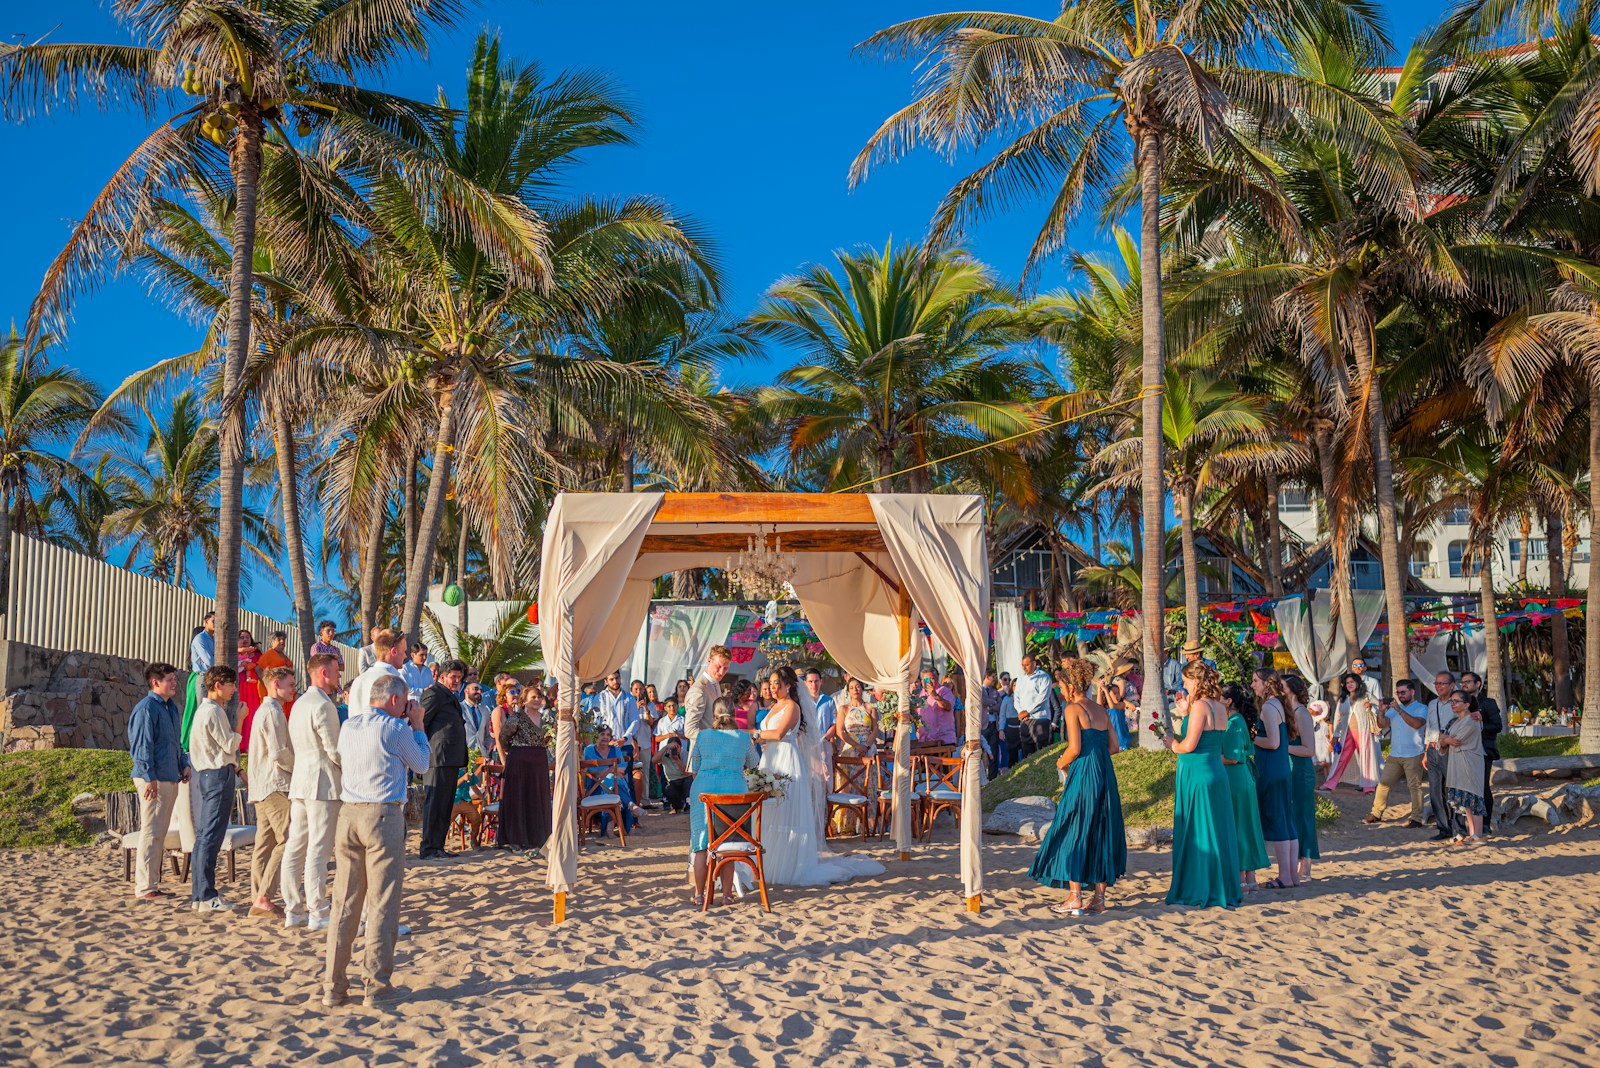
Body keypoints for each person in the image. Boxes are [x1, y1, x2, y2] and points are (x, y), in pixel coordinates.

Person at [323, 673, 429, 1008]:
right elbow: (422, 763)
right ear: (395, 699)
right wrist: (418, 724)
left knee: (344, 903)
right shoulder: (396, 729)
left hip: (349, 813)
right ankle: (377, 986)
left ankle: (334, 986)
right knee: (383, 903)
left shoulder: (350, 726)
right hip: (382, 814)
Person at [747, 667, 886, 886]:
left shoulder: (792, 707)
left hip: (787, 760)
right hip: (770, 759)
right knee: (770, 812)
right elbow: (768, 736)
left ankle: (790, 863)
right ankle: (770, 860)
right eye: (771, 683)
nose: (773, 688)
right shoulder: (774, 706)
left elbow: (778, 734)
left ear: (789, 685)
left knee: (787, 809)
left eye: (777, 683)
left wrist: (753, 734)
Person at [1029, 659, 1125, 916]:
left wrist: (1060, 762)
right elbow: (1114, 748)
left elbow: (1074, 748)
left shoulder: (1073, 709)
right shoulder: (1101, 710)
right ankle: (1100, 899)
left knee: (1074, 827)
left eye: (1062, 687)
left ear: (1072, 687)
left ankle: (1075, 897)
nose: (1061, 692)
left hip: (1084, 772)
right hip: (1104, 771)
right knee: (1101, 830)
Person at [1164, 660, 1241, 909]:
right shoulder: (1219, 706)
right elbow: (1209, 735)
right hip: (1215, 773)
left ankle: (1200, 887)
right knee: (1216, 831)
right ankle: (1221, 885)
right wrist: (1186, 712)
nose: (1183, 685)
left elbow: (1189, 745)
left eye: (1186, 681)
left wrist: (1171, 744)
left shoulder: (1200, 706)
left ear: (1196, 681)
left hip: (1198, 774)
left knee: (1200, 832)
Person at [282, 653, 344, 930]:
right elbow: (334, 750)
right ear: (322, 673)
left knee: (296, 846)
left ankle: (293, 910)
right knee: (318, 848)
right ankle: (318, 911)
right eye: (335, 671)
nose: (339, 676)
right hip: (322, 783)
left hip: (301, 781)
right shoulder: (323, 705)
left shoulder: (298, 704)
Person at [127, 662, 190, 900]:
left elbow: (175, 742)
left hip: (168, 776)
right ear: (156, 682)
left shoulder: (170, 707)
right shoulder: (146, 709)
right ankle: (144, 887)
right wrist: (149, 777)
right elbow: (142, 746)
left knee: (159, 833)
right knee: (151, 832)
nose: (175, 684)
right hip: (152, 779)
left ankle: (152, 884)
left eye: (175, 679)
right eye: (170, 680)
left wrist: (183, 764)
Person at [689, 699, 760, 905]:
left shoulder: (703, 736)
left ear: (714, 715)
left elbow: (695, 769)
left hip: (703, 792)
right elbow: (754, 764)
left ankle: (699, 894)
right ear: (734, 714)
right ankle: (727, 896)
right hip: (734, 792)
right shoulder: (742, 737)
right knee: (727, 845)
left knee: (701, 846)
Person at [188, 666, 241, 913]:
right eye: (231, 684)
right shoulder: (213, 711)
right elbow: (229, 745)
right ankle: (207, 895)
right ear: (218, 685)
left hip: (210, 775)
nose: (234, 689)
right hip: (217, 775)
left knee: (205, 837)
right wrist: (240, 720)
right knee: (210, 837)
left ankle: (199, 895)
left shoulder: (204, 711)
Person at [247, 666, 296, 918]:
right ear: (276, 683)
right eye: (290, 684)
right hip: (275, 784)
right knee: (287, 840)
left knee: (264, 845)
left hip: (261, 785)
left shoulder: (264, 710)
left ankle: (258, 897)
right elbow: (279, 753)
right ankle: (264, 897)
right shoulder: (272, 712)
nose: (293, 688)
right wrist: (297, 768)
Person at [1250, 669, 1300, 890]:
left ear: (1266, 684)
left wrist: (1252, 737)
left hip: (1271, 770)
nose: (1252, 685)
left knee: (1279, 822)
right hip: (1281, 770)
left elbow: (1273, 742)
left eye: (1255, 681)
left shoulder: (1269, 707)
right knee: (1287, 822)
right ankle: (1291, 875)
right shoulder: (1278, 704)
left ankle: (1284, 876)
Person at [1219, 682, 1269, 895]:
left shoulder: (1233, 723)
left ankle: (1241, 878)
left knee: (1238, 825)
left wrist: (1208, 755)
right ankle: (1250, 878)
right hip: (1243, 777)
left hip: (1235, 778)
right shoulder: (1237, 720)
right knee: (1246, 825)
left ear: (1228, 701)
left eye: (1219, 698)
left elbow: (1231, 757)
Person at [493, 679, 551, 853]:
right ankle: (516, 839)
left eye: (539, 696)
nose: (536, 699)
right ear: (525, 700)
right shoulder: (517, 717)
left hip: (539, 761)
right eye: (533, 697)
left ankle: (537, 837)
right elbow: (503, 738)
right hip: (519, 761)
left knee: (537, 798)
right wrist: (513, 752)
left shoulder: (546, 717)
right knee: (518, 799)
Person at [419, 659, 469, 860]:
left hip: (450, 758)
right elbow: (421, 721)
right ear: (442, 677)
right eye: (453, 677)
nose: (457, 680)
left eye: (459, 677)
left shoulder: (450, 695)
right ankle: (429, 847)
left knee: (445, 804)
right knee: (435, 804)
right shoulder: (434, 693)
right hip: (437, 756)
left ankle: (437, 846)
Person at [1367, 678, 1428, 827]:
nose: (1400, 695)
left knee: (1414, 787)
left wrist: (1400, 710)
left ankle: (1416, 818)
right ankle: (1376, 813)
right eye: (1398, 693)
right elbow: (1382, 724)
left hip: (1414, 754)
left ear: (1412, 692)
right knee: (1383, 784)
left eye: (1403, 692)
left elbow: (1416, 724)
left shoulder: (1421, 708)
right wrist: (1381, 712)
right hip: (1395, 754)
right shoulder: (1393, 709)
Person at [1282, 675, 1321, 882]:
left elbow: (1309, 749)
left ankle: (1305, 866)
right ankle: (1296, 863)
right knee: (1293, 816)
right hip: (1289, 770)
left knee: (1304, 817)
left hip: (1301, 771)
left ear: (1293, 691)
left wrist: (1283, 748)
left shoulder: (1301, 713)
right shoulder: (1289, 713)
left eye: (1283, 687)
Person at [1439, 689, 1488, 846]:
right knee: (1465, 800)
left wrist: (1444, 738)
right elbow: (1444, 740)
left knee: (1474, 798)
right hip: (1457, 762)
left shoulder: (1472, 720)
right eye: (1452, 701)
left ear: (1466, 704)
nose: (1453, 704)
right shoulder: (1455, 721)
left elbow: (1456, 740)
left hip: (1470, 762)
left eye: (1456, 701)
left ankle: (1478, 834)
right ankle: (1472, 833)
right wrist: (1445, 739)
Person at [1323, 672, 1383, 792]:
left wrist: (1370, 708)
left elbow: (1380, 706)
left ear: (1358, 683)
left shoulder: (1366, 695)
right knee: (1341, 758)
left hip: (1363, 732)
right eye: (1347, 682)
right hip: (1347, 733)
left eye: (1352, 682)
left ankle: (1369, 787)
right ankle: (1330, 784)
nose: (1349, 684)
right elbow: (1339, 718)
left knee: (1366, 758)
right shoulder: (1343, 699)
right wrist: (1335, 735)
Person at [1424, 671, 1464, 841]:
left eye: (1442, 683)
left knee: (1454, 789)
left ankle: (1461, 827)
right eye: (1436, 684)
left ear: (1451, 685)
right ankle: (1443, 828)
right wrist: (1426, 751)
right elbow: (1429, 727)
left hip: (1451, 750)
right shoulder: (1432, 704)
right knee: (1435, 790)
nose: (1438, 686)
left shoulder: (1457, 704)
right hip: (1433, 749)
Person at [1460, 671, 1502, 831]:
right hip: (1462, 751)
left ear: (1478, 684)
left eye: (1467, 681)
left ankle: (1485, 823)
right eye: (1462, 682)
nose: (1464, 684)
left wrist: (1480, 724)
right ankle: (1466, 823)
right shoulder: (1458, 703)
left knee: (1482, 787)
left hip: (1483, 751)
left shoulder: (1489, 703)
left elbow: (1497, 726)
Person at [347, 628, 407, 720]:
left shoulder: (358, 680)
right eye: (404, 651)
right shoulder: (395, 681)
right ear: (394, 651)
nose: (405, 656)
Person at [180, 611, 216, 748]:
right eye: (214, 621)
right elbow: (209, 661)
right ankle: (188, 743)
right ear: (205, 621)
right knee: (197, 710)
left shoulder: (215, 640)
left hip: (211, 677)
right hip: (201, 676)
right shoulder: (200, 639)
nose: (216, 624)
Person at [684, 645, 732, 745]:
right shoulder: (699, 690)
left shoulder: (716, 685)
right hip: (702, 754)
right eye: (718, 666)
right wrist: (715, 739)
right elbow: (689, 730)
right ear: (709, 661)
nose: (721, 672)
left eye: (725, 668)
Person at [1013, 654, 1053, 759]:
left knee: (1042, 753)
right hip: (1025, 720)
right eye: (1023, 665)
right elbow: (1016, 697)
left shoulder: (1044, 677)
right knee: (1027, 754)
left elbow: (1042, 699)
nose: (1024, 667)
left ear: (1034, 664)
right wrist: (1021, 712)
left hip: (1040, 718)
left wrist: (1028, 711)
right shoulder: (1021, 679)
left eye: (1027, 665)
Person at [1097, 662, 1136, 752]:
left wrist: (1106, 691)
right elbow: (1099, 706)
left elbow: (1112, 707)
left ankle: (1120, 745)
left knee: (1113, 712)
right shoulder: (1106, 706)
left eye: (1118, 693)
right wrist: (1099, 689)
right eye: (1114, 693)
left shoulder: (1121, 704)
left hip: (1121, 735)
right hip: (1109, 733)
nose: (1118, 695)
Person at [236, 630, 263, 743]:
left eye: (247, 637)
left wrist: (253, 666)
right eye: (242, 637)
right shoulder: (234, 652)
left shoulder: (257, 654)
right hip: (239, 685)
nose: (245, 639)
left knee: (252, 713)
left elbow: (263, 669)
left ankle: (251, 742)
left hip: (253, 687)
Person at [917, 669, 958, 746]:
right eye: (926, 679)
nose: (929, 682)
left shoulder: (945, 691)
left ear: (937, 678)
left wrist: (935, 695)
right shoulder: (920, 694)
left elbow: (948, 706)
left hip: (943, 741)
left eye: (931, 678)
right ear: (922, 681)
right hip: (924, 741)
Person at [654, 734, 692, 814]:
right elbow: (654, 761)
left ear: (680, 747)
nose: (674, 749)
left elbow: (686, 772)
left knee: (689, 782)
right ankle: (677, 807)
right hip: (673, 781)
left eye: (676, 747)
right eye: (672, 747)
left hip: (684, 779)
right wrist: (665, 748)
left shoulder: (685, 753)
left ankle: (688, 805)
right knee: (669, 789)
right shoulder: (665, 755)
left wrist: (677, 759)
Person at [805, 668, 837, 740]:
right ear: (805, 683)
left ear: (821, 682)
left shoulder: (829, 701)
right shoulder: (801, 701)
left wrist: (824, 739)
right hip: (806, 745)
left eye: (816, 681)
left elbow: (834, 724)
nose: (814, 684)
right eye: (810, 681)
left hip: (825, 744)